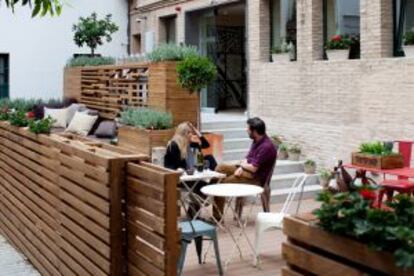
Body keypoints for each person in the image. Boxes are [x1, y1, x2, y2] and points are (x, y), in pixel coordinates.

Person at [213, 117, 277, 220]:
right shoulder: (257, 140)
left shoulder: (266, 147)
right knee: (220, 167)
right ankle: (208, 194)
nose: (246, 130)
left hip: (255, 178)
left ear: (254, 131)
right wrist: (241, 167)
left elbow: (253, 169)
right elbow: (248, 158)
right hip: (247, 171)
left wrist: (242, 166)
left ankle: (217, 217)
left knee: (221, 183)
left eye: (248, 129)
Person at [164, 122, 217, 218]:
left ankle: (195, 209)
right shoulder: (174, 145)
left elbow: (206, 144)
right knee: (200, 185)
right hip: (179, 178)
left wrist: (197, 132)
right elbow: (170, 166)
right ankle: (197, 208)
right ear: (184, 133)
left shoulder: (190, 144)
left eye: (192, 133)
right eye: (190, 133)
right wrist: (180, 170)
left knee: (210, 158)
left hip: (191, 175)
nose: (192, 135)